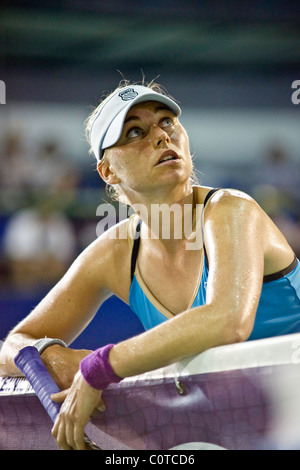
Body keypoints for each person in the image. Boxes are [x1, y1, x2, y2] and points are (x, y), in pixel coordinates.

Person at [1, 80, 300, 450]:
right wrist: (51, 357)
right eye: (135, 132)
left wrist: (97, 369)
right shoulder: (115, 251)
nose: (161, 136)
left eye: (167, 122)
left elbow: (227, 320)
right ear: (107, 172)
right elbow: (13, 345)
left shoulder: (231, 209)